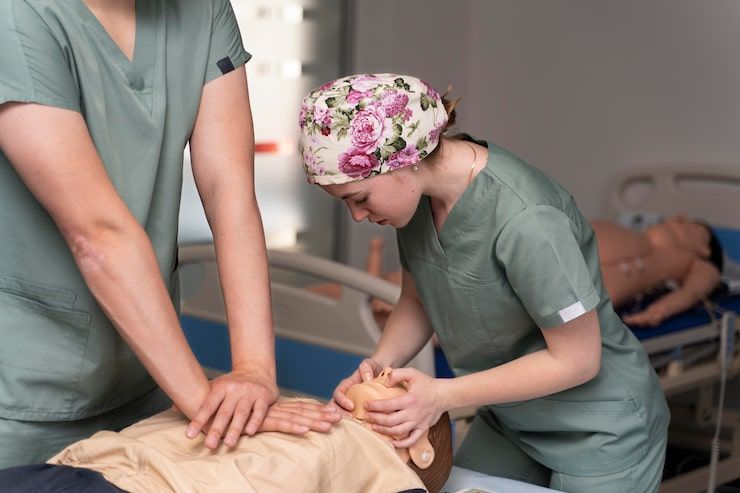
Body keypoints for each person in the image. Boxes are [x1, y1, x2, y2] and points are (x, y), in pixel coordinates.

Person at [297, 73, 670, 492]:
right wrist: (379, 367)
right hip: (511, 416)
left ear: (405, 158)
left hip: (600, 427)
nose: (358, 217)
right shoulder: (417, 203)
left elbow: (579, 360)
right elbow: (418, 299)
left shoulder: (528, 220)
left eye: (360, 198)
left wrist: (440, 395)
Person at [0, 0, 314, 467]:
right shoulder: (17, 15)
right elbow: (97, 234)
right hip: (23, 389)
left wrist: (254, 372)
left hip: (147, 374)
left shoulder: (203, 11)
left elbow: (230, 194)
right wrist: (208, 408)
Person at [0, 371, 453, 493]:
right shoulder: (301, 410)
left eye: (395, 383)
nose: (384, 370)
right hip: (92, 465)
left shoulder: (388, 476)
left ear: (420, 450)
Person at [591, 215, 723, 326]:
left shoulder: (704, 266)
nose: (680, 217)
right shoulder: (636, 235)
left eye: (697, 227)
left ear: (705, 250)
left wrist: (660, 310)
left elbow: (693, 291)